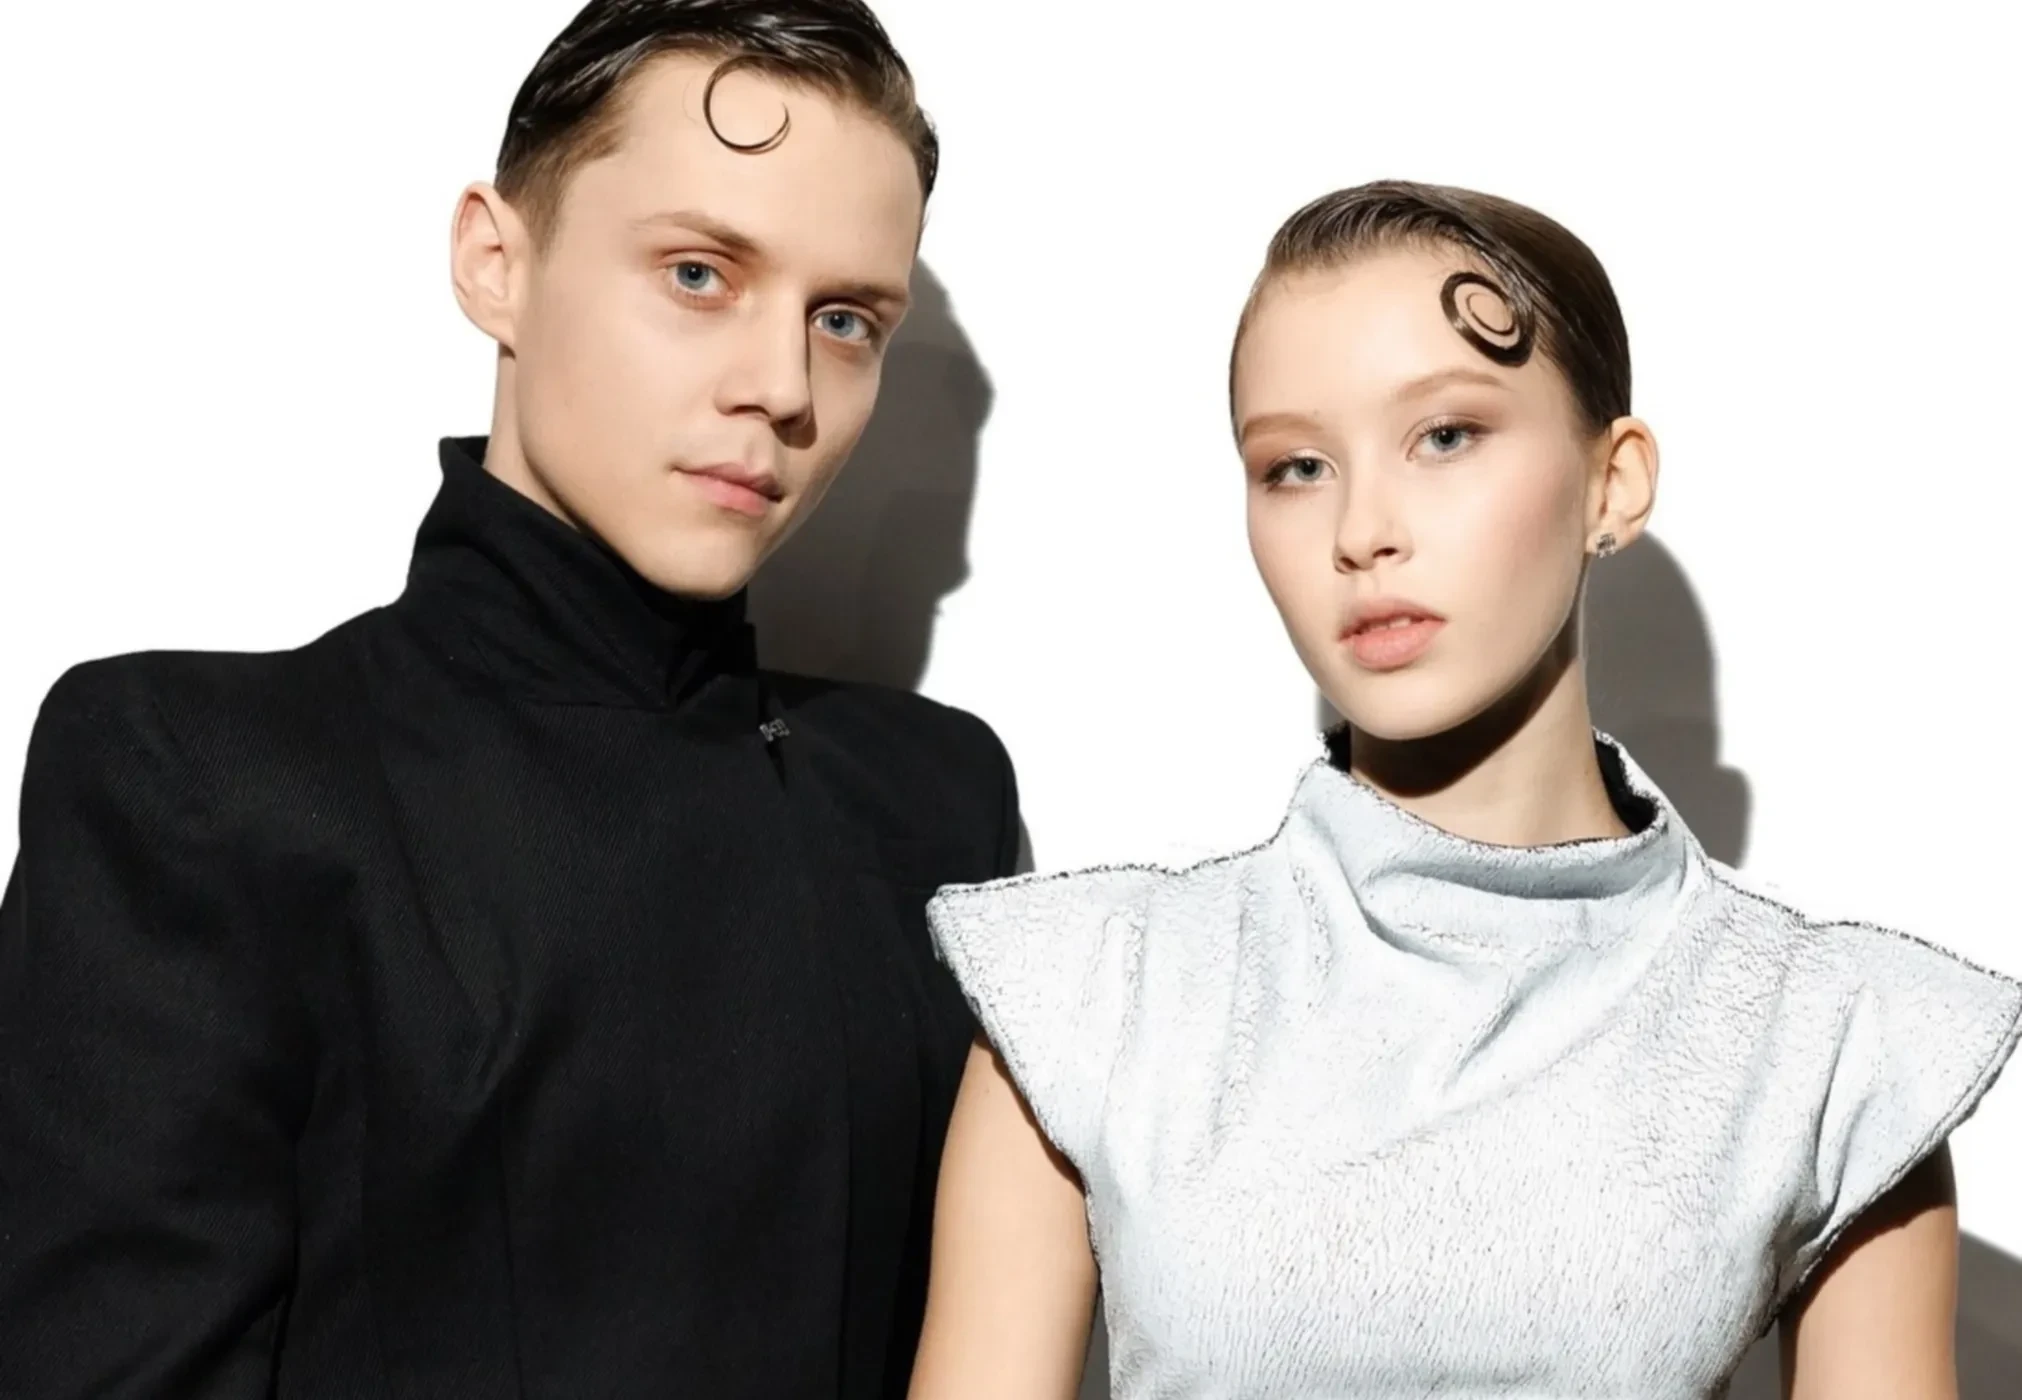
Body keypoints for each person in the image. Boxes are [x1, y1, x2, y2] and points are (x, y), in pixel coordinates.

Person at [0, 3, 1019, 1397]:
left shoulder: (931, 804)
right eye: (699, 274)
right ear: (496, 262)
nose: (782, 387)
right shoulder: (196, 776)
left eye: (844, 321)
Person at [909, 180, 2021, 1399]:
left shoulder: (1837, 1044)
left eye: (1445, 435)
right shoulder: (1092, 995)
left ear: (1613, 482)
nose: (1362, 529)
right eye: (1296, 465)